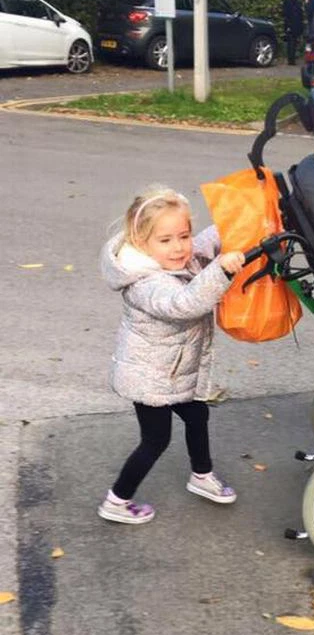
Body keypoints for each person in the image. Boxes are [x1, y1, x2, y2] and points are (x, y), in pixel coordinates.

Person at [98, 186, 245, 525]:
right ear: (140, 242)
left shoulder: (177, 258)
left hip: (172, 373)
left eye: (184, 235)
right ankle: (117, 500)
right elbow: (184, 304)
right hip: (150, 379)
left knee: (197, 416)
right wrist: (222, 270)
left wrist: (239, 224)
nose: (179, 246)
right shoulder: (146, 283)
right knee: (155, 440)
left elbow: (205, 245)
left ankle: (201, 475)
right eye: (165, 240)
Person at [281, 0, 304, 65]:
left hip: (297, 25)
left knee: (295, 42)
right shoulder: (287, 1)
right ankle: (291, 60)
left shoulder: (298, 1)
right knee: (290, 42)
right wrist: (288, 26)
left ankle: (293, 58)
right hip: (290, 25)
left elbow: (300, 13)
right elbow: (285, 14)